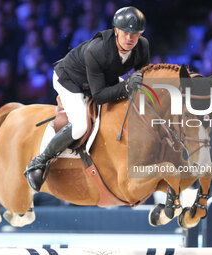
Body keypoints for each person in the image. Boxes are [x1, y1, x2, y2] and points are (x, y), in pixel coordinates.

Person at [24, 6, 150, 191]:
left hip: (104, 78)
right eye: (125, 33)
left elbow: (142, 77)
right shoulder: (97, 50)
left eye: (135, 33)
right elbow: (99, 96)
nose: (130, 38)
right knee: (80, 126)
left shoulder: (142, 46)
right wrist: (125, 87)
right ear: (116, 30)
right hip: (70, 80)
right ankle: (39, 162)